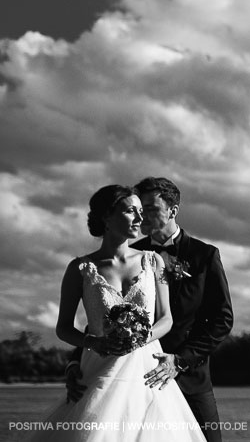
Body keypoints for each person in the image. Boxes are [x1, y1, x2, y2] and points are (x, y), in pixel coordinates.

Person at [66, 177, 234, 442]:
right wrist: (77, 360)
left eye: (150, 209)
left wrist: (180, 361)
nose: (141, 216)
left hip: (189, 377)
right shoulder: (130, 252)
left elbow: (222, 320)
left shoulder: (205, 255)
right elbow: (106, 314)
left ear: (172, 212)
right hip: (126, 378)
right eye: (137, 208)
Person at [34, 184, 206, 441]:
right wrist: (94, 342)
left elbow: (166, 318)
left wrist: (139, 339)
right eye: (130, 211)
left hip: (146, 370)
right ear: (106, 217)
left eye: (141, 211)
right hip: (98, 367)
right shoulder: (80, 268)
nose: (140, 218)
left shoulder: (153, 261)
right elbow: (64, 328)